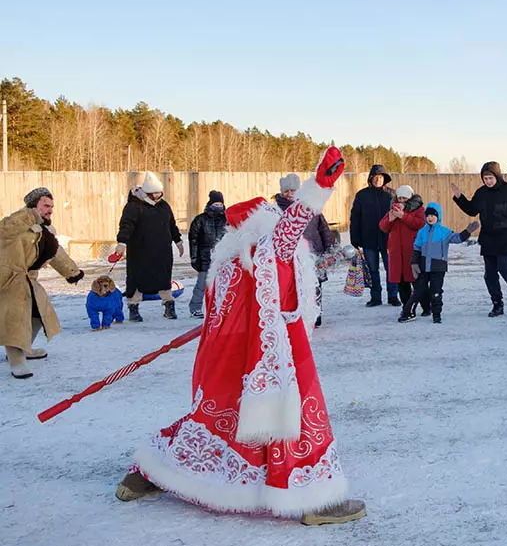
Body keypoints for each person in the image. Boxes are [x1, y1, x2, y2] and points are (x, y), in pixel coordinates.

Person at [116, 146, 366, 526]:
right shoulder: (265, 251)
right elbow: (288, 232)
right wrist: (319, 186)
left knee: (214, 423)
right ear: (262, 225)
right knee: (295, 418)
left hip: (225, 362)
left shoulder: (228, 264)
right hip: (274, 355)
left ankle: (148, 472)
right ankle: (316, 498)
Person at [1, 187, 85, 379]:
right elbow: (4, 229)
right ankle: (16, 361)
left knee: (40, 315)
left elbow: (55, 253)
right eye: (46, 205)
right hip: (9, 280)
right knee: (15, 321)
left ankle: (25, 349)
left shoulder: (45, 229)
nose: (50, 209)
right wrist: (29, 216)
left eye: (52, 206)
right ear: (33, 205)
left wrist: (72, 272)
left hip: (29, 279)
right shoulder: (17, 223)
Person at [451, 162, 507, 318]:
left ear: (497, 176)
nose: (488, 181)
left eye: (490, 178)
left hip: (506, 237)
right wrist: (459, 198)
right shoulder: (482, 193)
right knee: (489, 274)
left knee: (505, 269)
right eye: (485, 178)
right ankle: (497, 304)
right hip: (488, 238)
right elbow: (472, 210)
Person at [112, 172, 182, 322]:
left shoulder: (164, 206)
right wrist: (122, 242)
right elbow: (126, 225)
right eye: (154, 194)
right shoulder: (134, 206)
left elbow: (171, 225)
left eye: (159, 193)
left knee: (164, 279)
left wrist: (178, 241)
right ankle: (133, 308)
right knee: (137, 280)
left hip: (162, 251)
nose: (157, 196)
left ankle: (169, 306)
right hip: (140, 251)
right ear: (146, 192)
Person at [401, 203, 478, 323]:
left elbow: (457, 238)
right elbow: (416, 247)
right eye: (428, 215)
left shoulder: (444, 231)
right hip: (423, 267)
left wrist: (467, 232)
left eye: (433, 215)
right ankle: (407, 312)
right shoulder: (422, 232)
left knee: (435, 291)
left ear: (438, 216)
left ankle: (436, 314)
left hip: (438, 267)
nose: (430, 218)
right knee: (418, 290)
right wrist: (414, 263)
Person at [276, 174, 337, 325]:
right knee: (294, 288)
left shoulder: (311, 208)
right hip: (291, 258)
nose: (290, 194)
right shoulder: (276, 210)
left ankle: (315, 315)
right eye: (287, 191)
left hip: (314, 254)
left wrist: (330, 250)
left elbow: (324, 230)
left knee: (314, 286)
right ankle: (296, 317)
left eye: (293, 190)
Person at [349, 165, 397, 307]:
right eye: (375, 177)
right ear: (371, 178)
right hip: (368, 238)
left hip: (388, 239)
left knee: (391, 268)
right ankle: (376, 297)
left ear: (385, 179)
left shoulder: (391, 195)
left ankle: (393, 296)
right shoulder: (362, 195)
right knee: (372, 270)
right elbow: (355, 218)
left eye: (381, 177)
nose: (378, 180)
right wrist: (355, 238)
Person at [379, 185, 427, 314]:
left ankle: (427, 306)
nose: (401, 201)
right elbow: (383, 227)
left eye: (404, 198)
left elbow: (420, 224)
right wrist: (390, 219)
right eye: (399, 198)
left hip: (412, 251)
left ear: (410, 197)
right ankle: (407, 308)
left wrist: (403, 216)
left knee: (416, 281)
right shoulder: (392, 209)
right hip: (396, 253)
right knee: (402, 283)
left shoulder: (419, 209)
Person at [187, 190, 227, 319]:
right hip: (205, 258)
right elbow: (193, 240)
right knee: (201, 285)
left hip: (223, 257)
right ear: (210, 204)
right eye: (216, 204)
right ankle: (195, 308)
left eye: (220, 204)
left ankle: (222, 307)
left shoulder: (227, 219)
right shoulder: (200, 220)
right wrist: (194, 258)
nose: (218, 207)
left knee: (223, 284)